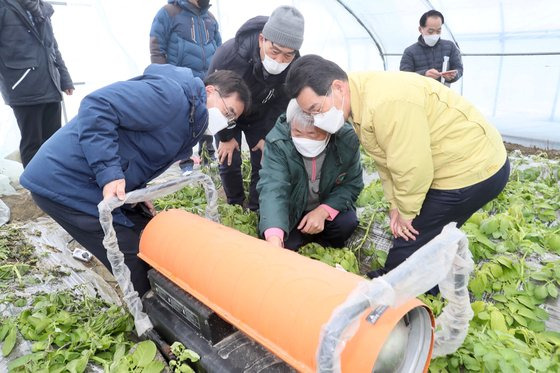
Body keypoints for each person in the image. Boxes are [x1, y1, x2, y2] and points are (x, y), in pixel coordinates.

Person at [20, 64, 250, 296]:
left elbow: (134, 148)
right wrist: (110, 174)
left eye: (231, 119)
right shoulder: (170, 96)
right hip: (64, 180)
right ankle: (151, 320)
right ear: (210, 91)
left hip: (91, 180)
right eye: (227, 111)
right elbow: (98, 106)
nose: (225, 121)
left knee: (150, 233)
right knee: (131, 256)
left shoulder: (190, 122)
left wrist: (137, 194)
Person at [285, 55, 509, 284]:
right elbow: (387, 160)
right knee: (425, 237)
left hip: (472, 168)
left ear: (337, 87)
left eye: (316, 109)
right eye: (310, 113)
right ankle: (427, 286)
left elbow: (412, 167)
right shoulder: (359, 99)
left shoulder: (384, 104)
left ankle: (396, 295)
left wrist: (406, 212)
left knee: (410, 240)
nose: (316, 119)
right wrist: (394, 204)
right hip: (451, 161)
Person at [208, 5, 305, 211]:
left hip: (261, 115)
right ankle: (234, 204)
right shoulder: (229, 56)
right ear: (262, 39)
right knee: (229, 158)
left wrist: (267, 134)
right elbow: (214, 99)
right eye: (275, 51)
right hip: (229, 112)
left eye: (287, 55)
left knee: (263, 158)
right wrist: (226, 136)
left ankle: (254, 208)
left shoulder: (293, 67)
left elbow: (282, 102)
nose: (279, 60)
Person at [258, 99, 363, 250]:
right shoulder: (279, 142)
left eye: (313, 135)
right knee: (284, 243)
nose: (305, 140)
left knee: (345, 224)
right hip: (291, 208)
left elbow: (351, 184)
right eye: (297, 133)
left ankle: (324, 245)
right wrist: (274, 237)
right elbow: (273, 188)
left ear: (328, 131)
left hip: (324, 203)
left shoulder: (345, 140)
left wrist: (323, 211)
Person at [150, 0, 222, 172]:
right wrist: (164, 78)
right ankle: (185, 161)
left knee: (206, 116)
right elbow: (156, 47)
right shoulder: (169, 12)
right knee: (183, 120)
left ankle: (208, 155)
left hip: (206, 79)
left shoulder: (210, 17)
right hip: (180, 80)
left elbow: (219, 47)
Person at [0, 0, 74, 167]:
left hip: (50, 83)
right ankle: (36, 188)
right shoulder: (4, 6)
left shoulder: (43, 9)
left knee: (54, 141)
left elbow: (52, 46)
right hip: (22, 86)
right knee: (32, 143)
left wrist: (64, 78)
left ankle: (55, 183)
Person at [400, 10, 463, 86]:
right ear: (420, 29)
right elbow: (404, 76)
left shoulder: (450, 46)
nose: (435, 35)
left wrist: (453, 76)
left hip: (443, 94)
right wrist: (424, 74)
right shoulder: (410, 51)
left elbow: (459, 69)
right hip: (420, 95)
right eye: (430, 31)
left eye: (438, 31)